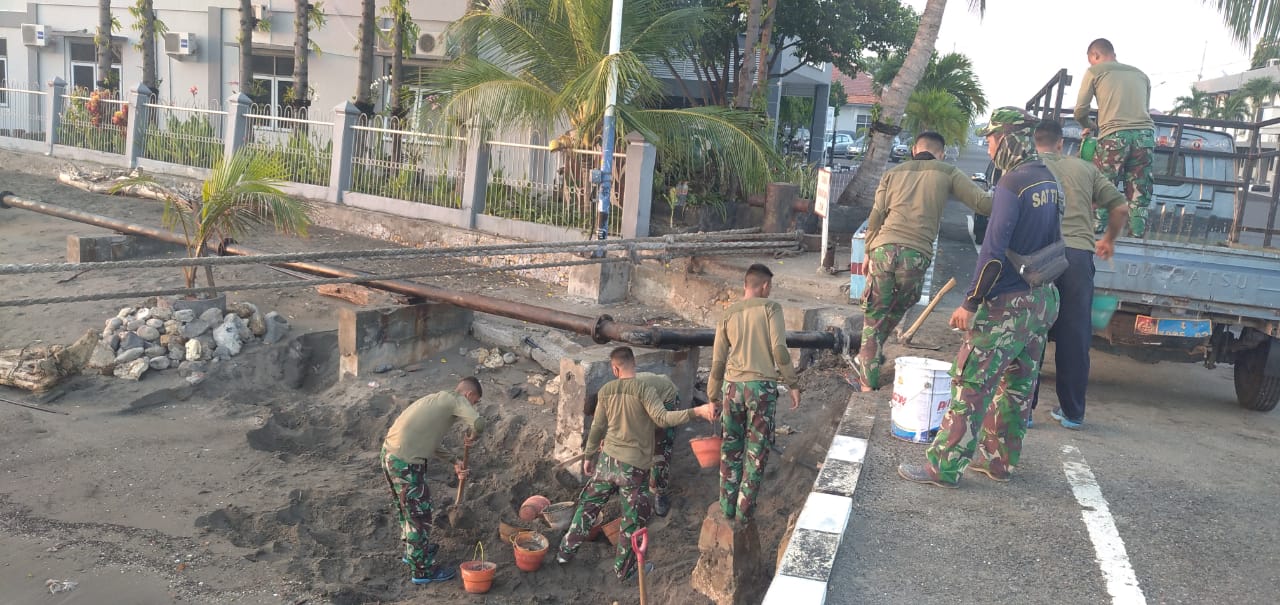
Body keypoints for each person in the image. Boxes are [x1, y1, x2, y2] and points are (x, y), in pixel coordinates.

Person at [898, 107, 1062, 488]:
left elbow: (992, 250)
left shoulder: (1012, 184)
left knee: (971, 385)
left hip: (1006, 304)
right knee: (1018, 388)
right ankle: (998, 462)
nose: (987, 147)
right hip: (1041, 300)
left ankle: (943, 467)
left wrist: (970, 302)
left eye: (990, 138)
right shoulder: (1048, 180)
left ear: (1007, 138)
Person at [556, 347, 715, 582]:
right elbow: (663, 418)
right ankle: (625, 570)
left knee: (588, 506)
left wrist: (589, 456)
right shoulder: (644, 389)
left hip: (606, 463)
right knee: (631, 519)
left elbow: (598, 426)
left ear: (614, 368)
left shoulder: (607, 390)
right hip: (632, 470)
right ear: (634, 364)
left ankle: (564, 553)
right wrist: (697, 411)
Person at [855, 131, 993, 391]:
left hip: (882, 249)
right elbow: (984, 204)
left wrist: (867, 251)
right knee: (902, 302)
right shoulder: (947, 172)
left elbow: (876, 216)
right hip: (915, 254)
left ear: (913, 150)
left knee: (874, 314)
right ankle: (870, 359)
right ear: (941, 153)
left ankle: (867, 364)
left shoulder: (892, 173)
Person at [1030, 120, 1130, 430]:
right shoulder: (1085, 169)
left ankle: (1022, 409)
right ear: (1061, 143)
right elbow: (1121, 208)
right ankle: (1072, 412)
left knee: (1030, 331)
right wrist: (1108, 241)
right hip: (1076, 256)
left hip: (1037, 256)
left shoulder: (1027, 167)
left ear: (1036, 142)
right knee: (1074, 335)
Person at [707, 263, 800, 525]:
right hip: (760, 390)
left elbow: (717, 362)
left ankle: (726, 508)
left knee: (730, 450)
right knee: (756, 453)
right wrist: (792, 384)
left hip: (732, 389)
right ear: (765, 285)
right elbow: (779, 350)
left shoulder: (728, 314)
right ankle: (743, 513)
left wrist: (713, 395)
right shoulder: (771, 308)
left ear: (745, 285)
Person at [380, 377, 485, 585]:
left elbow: (431, 442)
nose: (473, 406)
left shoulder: (437, 401)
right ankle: (422, 571)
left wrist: (455, 461)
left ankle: (414, 553)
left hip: (390, 455)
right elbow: (479, 423)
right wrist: (473, 435)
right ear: (469, 395)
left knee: (407, 512)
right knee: (419, 516)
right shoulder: (457, 400)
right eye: (475, 402)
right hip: (406, 463)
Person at [1073, 37, 1155, 237]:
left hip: (1114, 136)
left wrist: (1089, 126)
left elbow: (1080, 111)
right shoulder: (1141, 75)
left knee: (1104, 184)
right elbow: (1143, 109)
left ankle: (1096, 231)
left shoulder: (1095, 71)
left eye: (1091, 60)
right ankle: (1137, 232)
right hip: (1145, 135)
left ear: (1095, 55)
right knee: (1139, 187)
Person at [634, 370, 680, 517]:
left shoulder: (632, 401)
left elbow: (659, 430)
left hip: (666, 400)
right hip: (652, 393)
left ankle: (660, 493)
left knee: (660, 450)